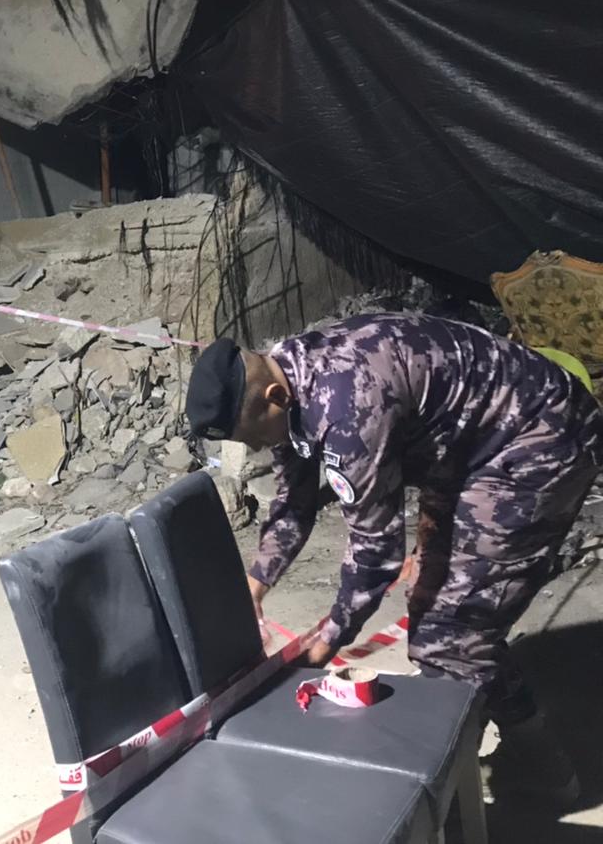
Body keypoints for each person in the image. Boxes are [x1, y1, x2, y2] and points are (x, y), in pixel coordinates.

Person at [184, 312, 602, 805]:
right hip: (468, 444)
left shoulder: (346, 408)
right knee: (435, 608)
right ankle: (478, 722)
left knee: (450, 638)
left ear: (274, 397)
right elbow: (294, 503)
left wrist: (327, 641)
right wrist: (254, 586)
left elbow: (376, 551)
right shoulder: (290, 376)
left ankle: (532, 770)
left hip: (537, 443)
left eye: (250, 434)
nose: (254, 446)